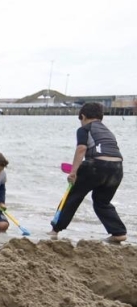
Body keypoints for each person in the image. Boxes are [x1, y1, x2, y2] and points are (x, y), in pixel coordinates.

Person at [49, 102, 127, 243]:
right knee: (102, 202)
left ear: (83, 116)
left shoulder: (85, 129)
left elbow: (81, 149)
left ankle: (55, 230)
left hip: (96, 166)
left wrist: (73, 172)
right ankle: (118, 232)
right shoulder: (108, 131)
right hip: (117, 168)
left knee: (73, 196)